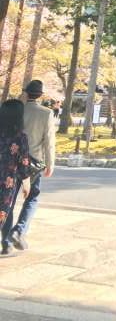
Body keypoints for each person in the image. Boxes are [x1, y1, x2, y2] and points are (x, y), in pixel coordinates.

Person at [7, 79, 55, 251]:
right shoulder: (46, 113)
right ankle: (19, 230)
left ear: (26, 92)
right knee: (32, 198)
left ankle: (6, 238)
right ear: (40, 95)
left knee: (9, 199)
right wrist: (50, 163)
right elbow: (48, 141)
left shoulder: (17, 110)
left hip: (13, 160)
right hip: (34, 162)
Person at [0, 100, 31, 256]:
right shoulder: (21, 137)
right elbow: (24, 162)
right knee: (5, 211)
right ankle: (5, 244)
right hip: (7, 180)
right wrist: (26, 182)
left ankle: (6, 243)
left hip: (7, 178)